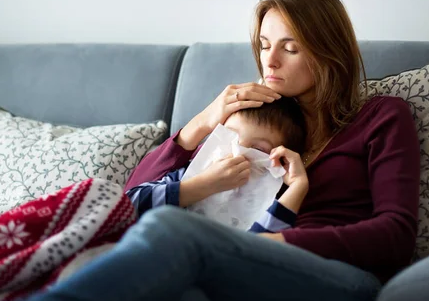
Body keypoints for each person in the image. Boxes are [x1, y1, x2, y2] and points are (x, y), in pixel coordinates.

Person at [0, 0, 420, 301]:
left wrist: (264, 244)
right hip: (239, 272)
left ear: (327, 52)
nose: (269, 62)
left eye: (290, 47)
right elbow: (136, 192)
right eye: (263, 46)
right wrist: (202, 123)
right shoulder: (261, 121)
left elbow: (395, 234)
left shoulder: (382, 116)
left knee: (172, 228)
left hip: (340, 283)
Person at [126, 96, 308, 233]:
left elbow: (261, 248)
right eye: (231, 136)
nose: (237, 151)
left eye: (258, 148)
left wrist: (298, 186)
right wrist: (203, 185)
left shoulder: (270, 198)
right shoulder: (193, 172)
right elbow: (128, 206)